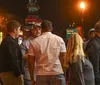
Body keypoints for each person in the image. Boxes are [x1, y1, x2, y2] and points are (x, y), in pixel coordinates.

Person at [28, 20, 66, 85]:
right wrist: (62, 71)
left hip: (41, 74)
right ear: (52, 29)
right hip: (57, 72)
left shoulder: (34, 42)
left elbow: (30, 62)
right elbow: (63, 57)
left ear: (41, 29)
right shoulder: (59, 39)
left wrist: (32, 78)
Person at [0, 20, 24, 85]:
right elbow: (13, 58)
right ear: (14, 30)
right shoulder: (11, 42)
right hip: (11, 74)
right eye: (19, 29)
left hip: (7, 73)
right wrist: (18, 73)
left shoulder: (7, 40)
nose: (19, 32)